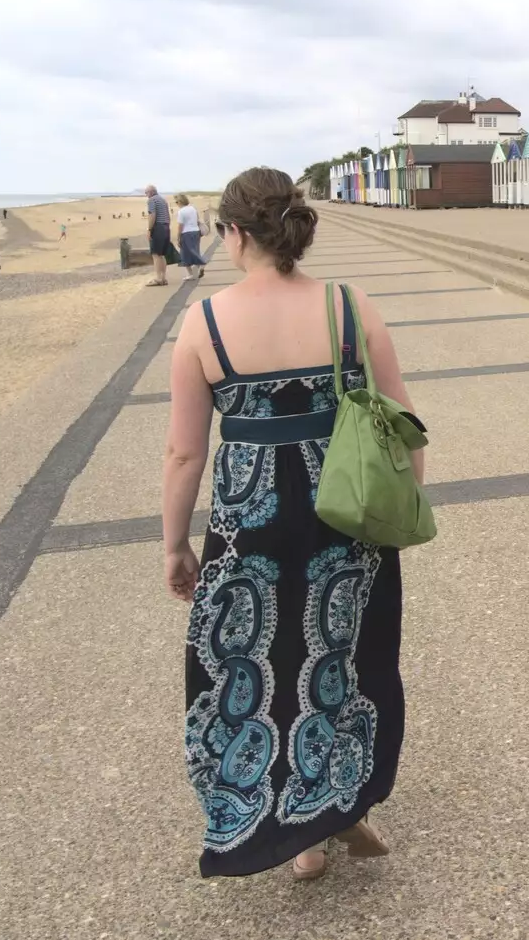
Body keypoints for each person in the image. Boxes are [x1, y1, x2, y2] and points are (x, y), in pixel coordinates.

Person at [162, 166, 423, 882]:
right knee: (343, 655)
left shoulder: (204, 322)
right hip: (344, 515)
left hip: (250, 526)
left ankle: (297, 835)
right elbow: (404, 425)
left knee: (251, 665)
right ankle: (333, 804)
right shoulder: (350, 307)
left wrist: (175, 543)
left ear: (236, 233)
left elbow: (185, 452)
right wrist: (396, 517)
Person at [174, 193, 206, 281]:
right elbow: (197, 220)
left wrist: (178, 237)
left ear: (180, 202)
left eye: (176, 202)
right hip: (196, 232)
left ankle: (193, 271)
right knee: (194, 250)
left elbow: (180, 226)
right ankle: (197, 267)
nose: (176, 204)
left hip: (186, 233)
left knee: (184, 254)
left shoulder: (181, 211)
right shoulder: (193, 209)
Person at [145, 184, 171, 286]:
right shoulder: (163, 200)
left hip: (158, 227)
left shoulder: (151, 200)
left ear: (151, 192)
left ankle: (158, 278)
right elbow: (168, 215)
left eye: (146, 192)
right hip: (166, 227)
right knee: (162, 254)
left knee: (155, 254)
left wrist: (149, 229)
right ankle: (163, 277)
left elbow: (152, 215)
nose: (146, 195)